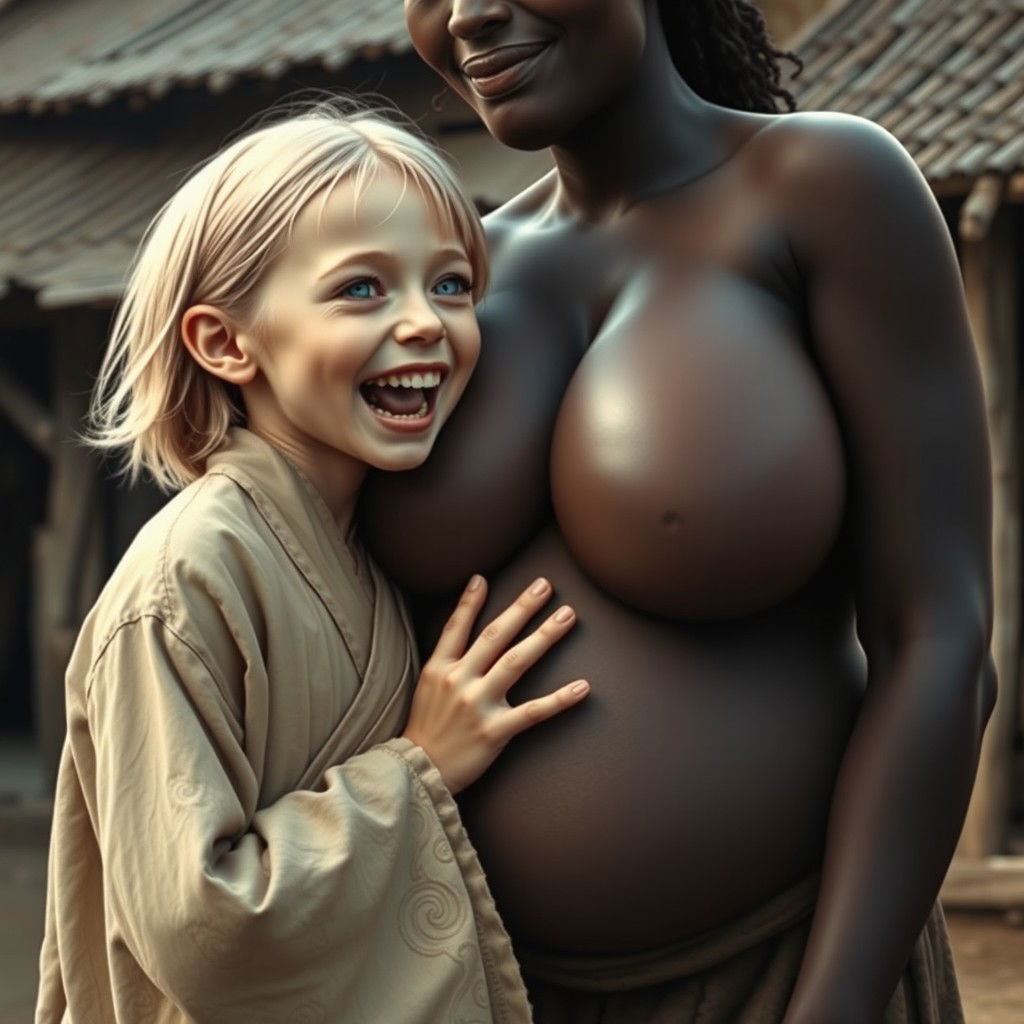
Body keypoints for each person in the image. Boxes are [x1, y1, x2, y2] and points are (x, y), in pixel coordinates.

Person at [362, 2, 996, 1021]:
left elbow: (939, 641)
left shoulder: (824, 190)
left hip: (784, 970)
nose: (469, 12)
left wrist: (829, 1008)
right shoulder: (456, 284)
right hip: (483, 988)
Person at [35, 101, 590, 1024]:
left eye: (451, 287)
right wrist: (419, 768)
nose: (424, 323)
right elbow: (203, 923)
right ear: (225, 341)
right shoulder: (183, 583)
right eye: (362, 290)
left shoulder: (376, 548)